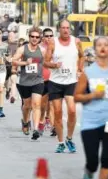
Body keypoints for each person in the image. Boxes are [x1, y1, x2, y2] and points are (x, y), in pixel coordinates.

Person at [74, 37, 108, 179]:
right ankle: (89, 172)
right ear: (95, 49)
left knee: (106, 161)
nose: (103, 48)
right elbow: (77, 97)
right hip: (91, 122)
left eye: (106, 45)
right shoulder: (88, 72)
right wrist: (92, 95)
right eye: (99, 45)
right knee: (92, 162)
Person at [44, 19, 84, 153]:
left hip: (71, 82)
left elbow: (82, 56)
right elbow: (45, 62)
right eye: (63, 28)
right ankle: (61, 142)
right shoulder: (52, 43)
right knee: (57, 112)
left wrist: (80, 69)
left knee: (72, 111)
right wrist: (54, 65)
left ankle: (69, 138)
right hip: (55, 82)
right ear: (59, 29)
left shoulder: (76, 42)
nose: (65, 30)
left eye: (68, 28)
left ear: (70, 29)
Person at [12, 26, 44, 140]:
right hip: (25, 82)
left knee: (36, 104)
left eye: (37, 37)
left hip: (38, 81)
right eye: (32, 36)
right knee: (27, 106)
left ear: (40, 38)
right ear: (29, 37)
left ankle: (35, 129)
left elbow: (49, 61)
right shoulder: (22, 49)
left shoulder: (43, 50)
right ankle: (25, 121)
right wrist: (25, 63)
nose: (34, 39)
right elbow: (13, 61)